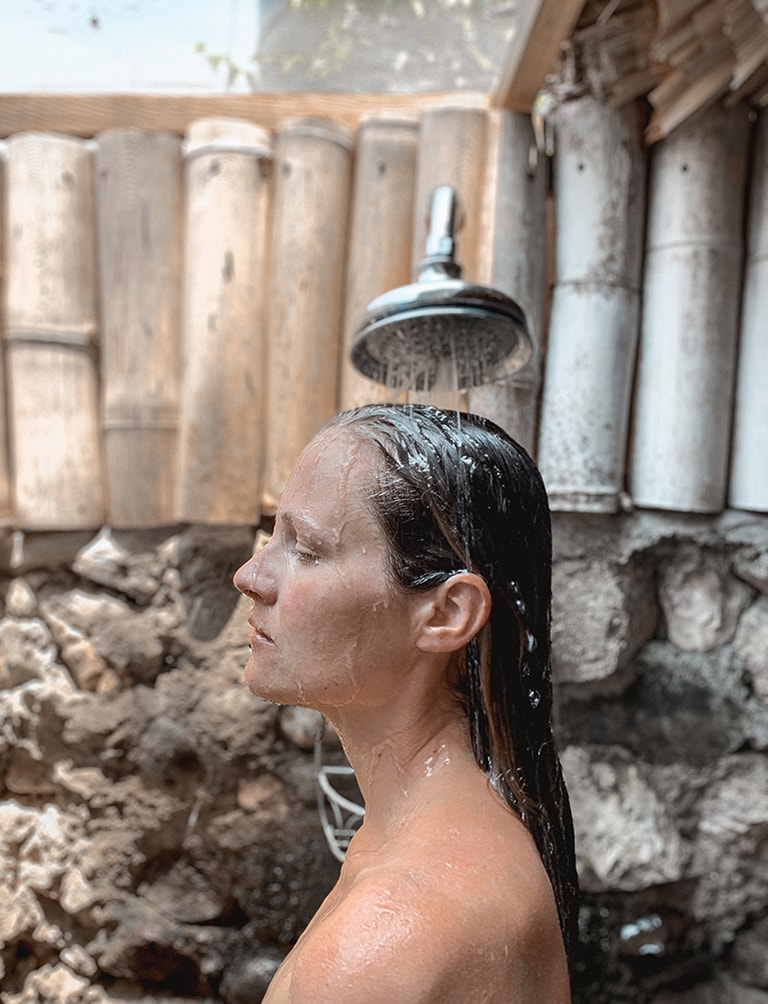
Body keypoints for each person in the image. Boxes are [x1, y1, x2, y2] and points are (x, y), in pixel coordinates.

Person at [233, 403, 579, 1003]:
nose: (251, 576)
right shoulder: (455, 837)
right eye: (273, 534)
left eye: (306, 549)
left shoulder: (383, 943)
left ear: (447, 614)